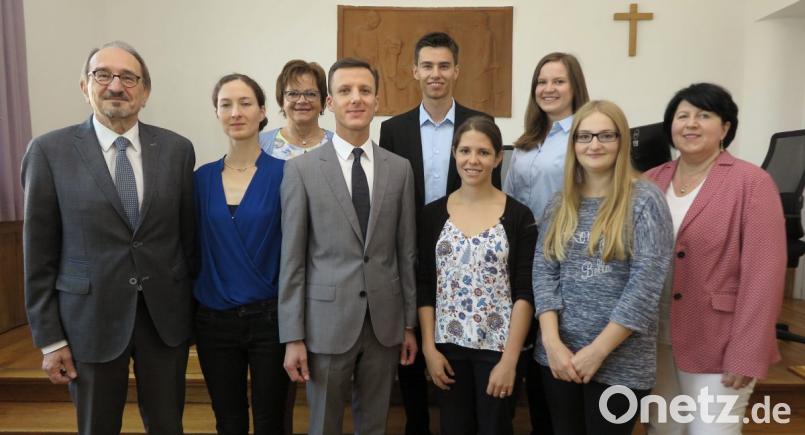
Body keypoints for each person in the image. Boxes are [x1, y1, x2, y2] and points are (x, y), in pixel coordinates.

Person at [20, 41, 195, 435]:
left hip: (164, 320)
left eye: (129, 78)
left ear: (145, 92)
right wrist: (50, 339)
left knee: (168, 425)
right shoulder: (48, 152)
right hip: (89, 319)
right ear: (85, 86)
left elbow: (188, 241)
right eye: (103, 75)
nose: (116, 86)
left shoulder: (177, 150)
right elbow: (38, 254)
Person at [279, 57, 418, 435]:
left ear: (377, 100)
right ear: (329, 102)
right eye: (345, 91)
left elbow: (405, 252)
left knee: (375, 426)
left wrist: (408, 324)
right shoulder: (302, 170)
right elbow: (292, 260)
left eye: (365, 91)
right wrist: (293, 336)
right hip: (325, 324)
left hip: (384, 324)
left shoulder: (399, 169)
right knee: (323, 425)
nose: (356, 98)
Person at [644, 83, 786, 435]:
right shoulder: (650, 181)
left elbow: (764, 276)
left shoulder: (751, 182)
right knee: (664, 429)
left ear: (725, 128)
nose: (691, 124)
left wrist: (747, 351)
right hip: (654, 337)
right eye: (682, 116)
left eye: (704, 115)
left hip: (717, 340)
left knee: (712, 430)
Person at [378, 31, 495, 435]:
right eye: (427, 66)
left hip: (465, 250)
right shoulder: (393, 129)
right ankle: (416, 424)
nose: (435, 73)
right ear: (414, 71)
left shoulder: (479, 124)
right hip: (409, 251)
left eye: (444, 65)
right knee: (411, 339)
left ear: (457, 70)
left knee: (455, 342)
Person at [533, 100, 673, 435]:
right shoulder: (560, 203)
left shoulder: (645, 200)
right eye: (584, 136)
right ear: (573, 144)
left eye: (605, 135)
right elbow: (543, 273)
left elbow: (645, 288)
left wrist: (597, 351)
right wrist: (551, 342)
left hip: (620, 364)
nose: (594, 144)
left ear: (621, 140)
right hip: (559, 358)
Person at [417, 116, 536, 435]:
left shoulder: (519, 216)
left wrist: (510, 360)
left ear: (498, 158)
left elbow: (525, 293)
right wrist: (429, 349)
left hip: (498, 350)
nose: (473, 160)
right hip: (447, 349)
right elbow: (425, 285)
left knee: (495, 428)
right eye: (465, 151)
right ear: (454, 154)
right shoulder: (432, 215)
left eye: (483, 152)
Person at [194, 73, 288, 434]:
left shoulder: (287, 175)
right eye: (226, 104)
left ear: (262, 111)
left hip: (271, 320)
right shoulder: (199, 180)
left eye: (245, 103)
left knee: (270, 421)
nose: (236, 112)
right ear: (216, 113)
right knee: (228, 420)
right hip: (214, 320)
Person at [503, 52, 590, 435]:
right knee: (532, 351)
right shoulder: (526, 143)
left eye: (558, 81)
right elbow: (510, 201)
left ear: (575, 87)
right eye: (542, 81)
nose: (548, 88)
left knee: (558, 342)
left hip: (565, 257)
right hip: (524, 256)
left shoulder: (583, 137)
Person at [259, 59, 333, 160]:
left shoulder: (338, 145)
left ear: (323, 101)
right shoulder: (260, 144)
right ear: (281, 100)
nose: (302, 100)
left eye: (311, 94)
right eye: (293, 94)